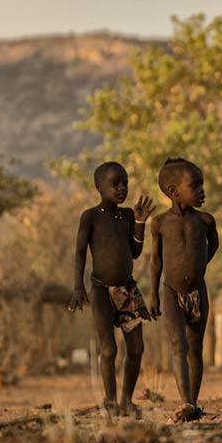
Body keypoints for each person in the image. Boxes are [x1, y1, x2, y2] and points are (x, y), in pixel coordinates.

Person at [68, 161, 157, 417]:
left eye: (125, 183)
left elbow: (136, 252)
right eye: (115, 184)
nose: (122, 188)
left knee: (137, 348)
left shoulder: (128, 215)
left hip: (127, 291)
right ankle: (110, 402)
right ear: (99, 187)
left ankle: (127, 401)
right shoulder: (91, 217)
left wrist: (140, 222)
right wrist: (77, 287)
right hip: (100, 291)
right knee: (108, 348)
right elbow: (79, 252)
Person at [147, 157, 219, 422]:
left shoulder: (205, 222)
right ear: (174, 192)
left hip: (198, 292)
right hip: (170, 292)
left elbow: (213, 246)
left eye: (202, 184)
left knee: (195, 348)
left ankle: (193, 403)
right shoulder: (160, 224)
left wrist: (198, 266)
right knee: (178, 346)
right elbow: (155, 261)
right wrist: (153, 294)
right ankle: (185, 402)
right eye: (195, 185)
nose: (202, 190)